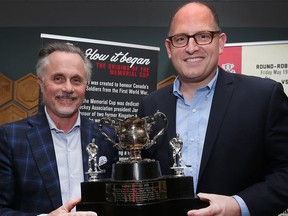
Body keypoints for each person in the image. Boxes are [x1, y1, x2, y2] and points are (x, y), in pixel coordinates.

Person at [137, 1, 288, 216]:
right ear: (169, 48)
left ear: (221, 42)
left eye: (203, 36)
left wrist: (238, 206)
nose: (191, 47)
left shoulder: (263, 96)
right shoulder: (150, 105)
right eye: (181, 39)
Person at [0, 42, 118, 215]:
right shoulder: (10, 138)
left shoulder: (106, 136)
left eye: (76, 80)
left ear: (86, 86)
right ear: (40, 83)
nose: (68, 88)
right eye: (58, 78)